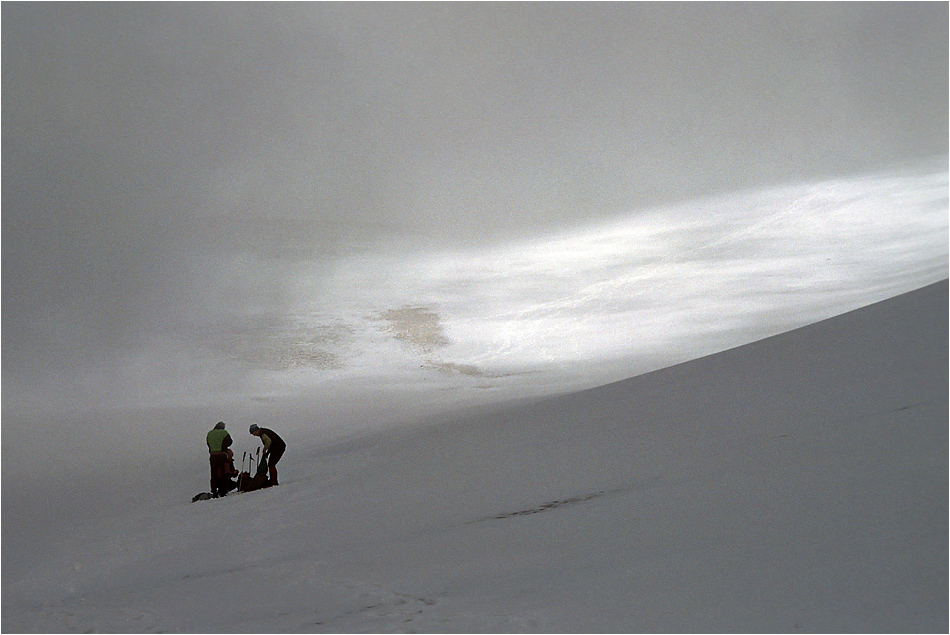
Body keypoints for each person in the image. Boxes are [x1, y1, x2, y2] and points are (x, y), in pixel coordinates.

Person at [206, 421, 235, 497]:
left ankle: (214, 490)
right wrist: (223, 446)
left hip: (212, 456)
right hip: (222, 455)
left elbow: (208, 443)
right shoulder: (224, 432)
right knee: (224, 472)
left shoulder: (209, 433)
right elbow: (229, 442)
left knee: (214, 473)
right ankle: (223, 491)